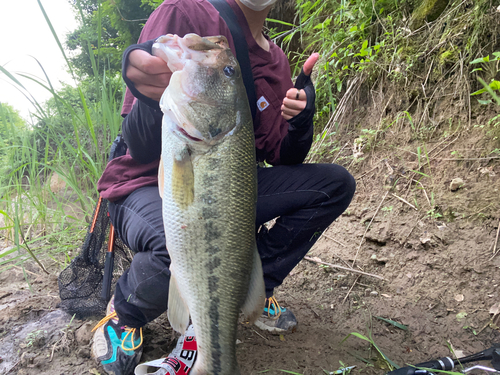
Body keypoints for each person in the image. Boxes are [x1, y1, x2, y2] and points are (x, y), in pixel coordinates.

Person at [91, 0, 356, 374]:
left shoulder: (276, 60)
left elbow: (281, 153)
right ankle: (125, 312)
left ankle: (245, 292)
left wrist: (301, 122)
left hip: (225, 181)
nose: (209, 52)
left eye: (225, 67)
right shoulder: (183, 13)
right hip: (141, 184)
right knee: (181, 245)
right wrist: (147, 91)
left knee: (335, 185)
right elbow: (139, 144)